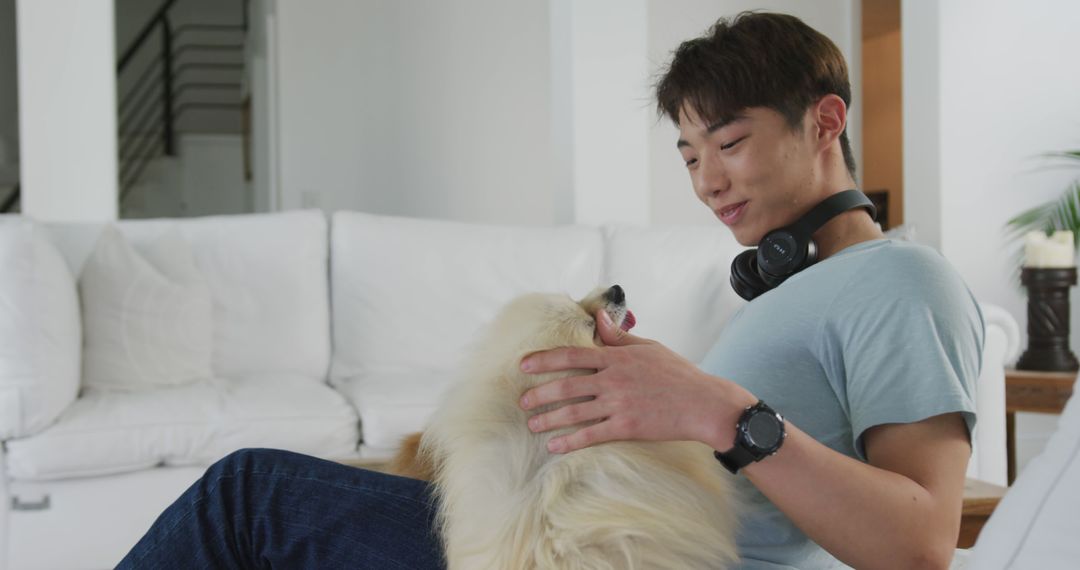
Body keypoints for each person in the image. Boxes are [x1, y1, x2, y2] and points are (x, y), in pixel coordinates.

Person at [117, 11, 981, 570]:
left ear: (826, 121)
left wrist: (720, 412)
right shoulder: (795, 289)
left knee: (249, 496)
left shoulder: (902, 280)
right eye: (688, 157)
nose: (708, 181)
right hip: (597, 537)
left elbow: (921, 541)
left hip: (629, 560)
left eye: (729, 142)